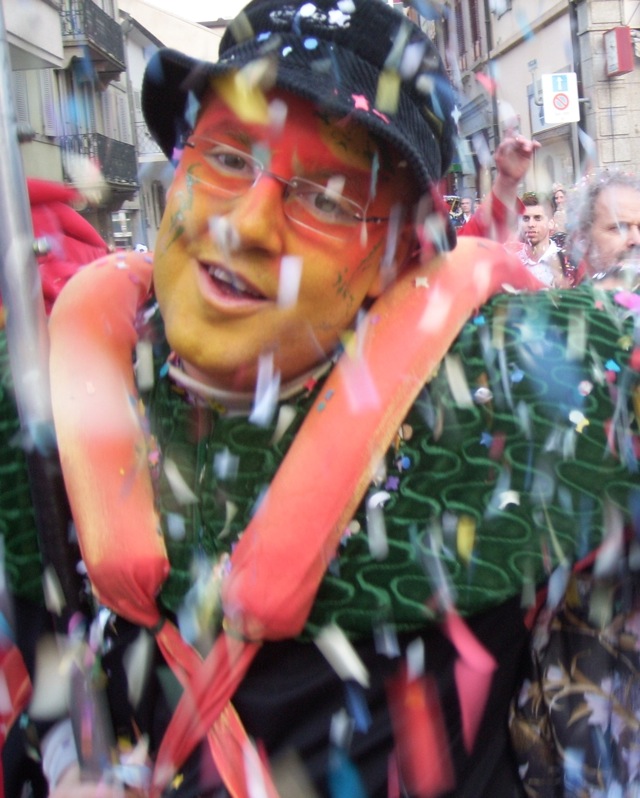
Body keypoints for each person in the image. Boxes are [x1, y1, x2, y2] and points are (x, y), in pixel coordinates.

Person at [15, 3, 640, 798]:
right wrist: (66, 766)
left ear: (400, 256)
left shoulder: (512, 393)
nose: (244, 226)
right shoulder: (47, 396)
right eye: (228, 158)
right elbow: (46, 665)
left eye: (327, 200)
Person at [506, 191, 570, 287]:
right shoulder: (512, 263)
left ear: (551, 223)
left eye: (537, 218)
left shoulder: (566, 262)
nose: (531, 224)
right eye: (526, 218)